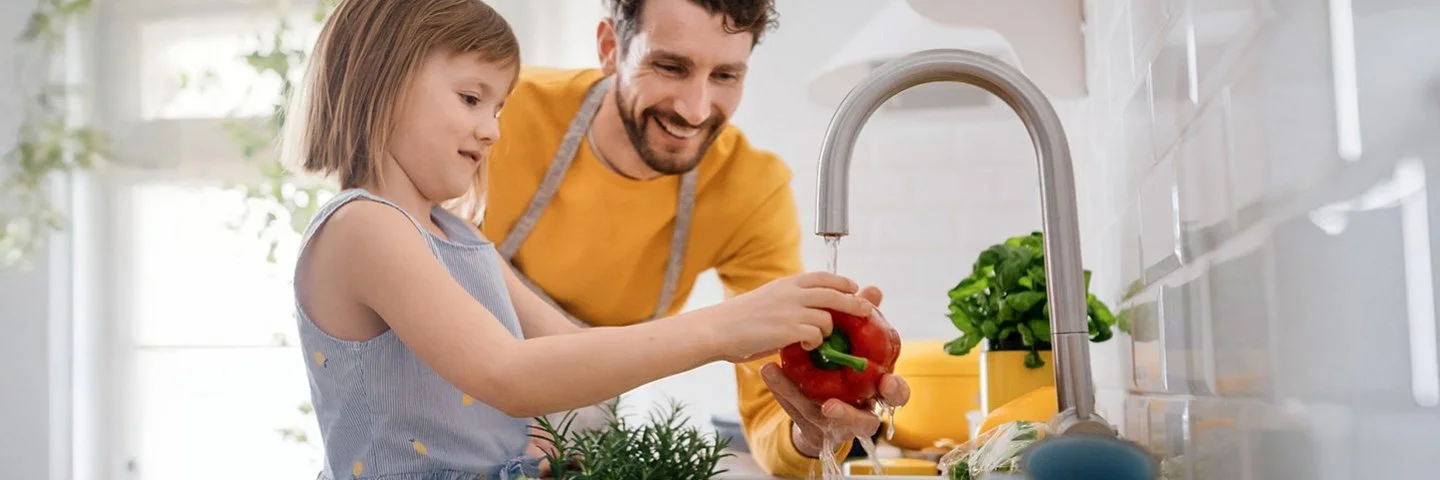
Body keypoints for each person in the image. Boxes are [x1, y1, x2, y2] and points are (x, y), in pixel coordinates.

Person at [283, 1, 878, 479]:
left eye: (725, 74)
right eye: (471, 100)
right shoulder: (364, 227)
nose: (493, 131)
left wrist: (791, 347)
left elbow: (574, 348)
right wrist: (722, 329)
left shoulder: (456, 233)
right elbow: (510, 374)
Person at [468, 0, 912, 476]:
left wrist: (811, 428)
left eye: (725, 75)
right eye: (670, 67)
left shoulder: (748, 190)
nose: (694, 110)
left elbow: (770, 406)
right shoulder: (501, 113)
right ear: (611, 48)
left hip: (568, 449)